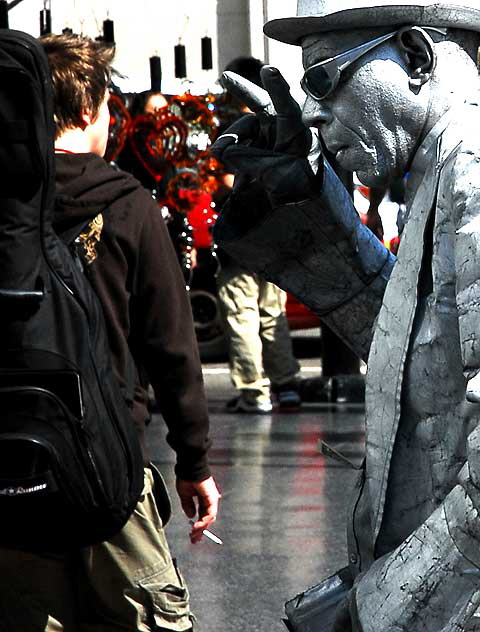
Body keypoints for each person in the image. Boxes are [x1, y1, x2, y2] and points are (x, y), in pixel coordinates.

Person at [212, 0, 480, 629]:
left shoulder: (472, 172)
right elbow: (423, 358)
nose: (311, 113)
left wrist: (376, 607)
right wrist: (306, 198)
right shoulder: (439, 169)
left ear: (415, 54)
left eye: (324, 80)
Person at [0, 33, 221, 632]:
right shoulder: (128, 204)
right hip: (109, 461)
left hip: (15, 461)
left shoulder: (5, 213)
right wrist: (193, 460)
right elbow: (172, 346)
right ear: (93, 110)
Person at [215, 56, 302, 414]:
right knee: (272, 313)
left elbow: (224, 177)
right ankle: (286, 384)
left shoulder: (237, 126)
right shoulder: (282, 123)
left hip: (243, 232)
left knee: (242, 314)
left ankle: (255, 392)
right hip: (276, 231)